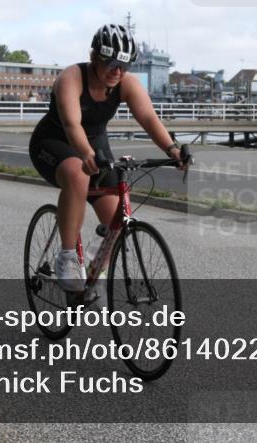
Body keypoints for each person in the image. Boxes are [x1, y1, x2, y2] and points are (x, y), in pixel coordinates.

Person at [29, 24, 185, 291]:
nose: (117, 71)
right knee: (78, 173)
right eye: (111, 63)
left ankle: (93, 274)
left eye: (124, 65)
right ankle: (67, 257)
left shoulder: (125, 83)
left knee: (116, 220)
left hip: (96, 146)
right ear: (94, 57)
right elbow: (72, 125)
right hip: (54, 142)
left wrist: (172, 150)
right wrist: (87, 155)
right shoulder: (72, 78)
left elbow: (148, 118)